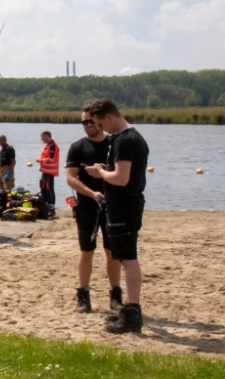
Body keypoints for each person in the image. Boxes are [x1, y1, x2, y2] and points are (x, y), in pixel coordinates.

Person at [85, 98, 149, 334]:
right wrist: (107, 168)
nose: (102, 129)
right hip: (125, 204)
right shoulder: (132, 137)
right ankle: (130, 311)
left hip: (124, 206)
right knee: (123, 256)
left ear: (109, 117)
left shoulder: (125, 140)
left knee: (128, 258)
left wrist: (101, 172)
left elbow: (121, 178)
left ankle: (132, 311)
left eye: (101, 124)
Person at [66, 106, 122, 314]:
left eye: (91, 121)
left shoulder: (113, 144)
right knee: (86, 252)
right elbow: (71, 177)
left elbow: (123, 173)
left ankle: (115, 295)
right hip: (87, 206)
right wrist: (91, 193)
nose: (88, 125)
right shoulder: (77, 147)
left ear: (99, 121)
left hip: (112, 206)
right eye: (84, 123)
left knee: (112, 252)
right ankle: (83, 295)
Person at [37, 130, 61, 208]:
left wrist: (39, 160)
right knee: (43, 187)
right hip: (45, 171)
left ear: (46, 136)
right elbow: (44, 156)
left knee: (49, 188)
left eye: (42, 137)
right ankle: (44, 202)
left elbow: (51, 159)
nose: (41, 139)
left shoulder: (53, 145)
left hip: (50, 171)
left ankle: (51, 204)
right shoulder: (47, 145)